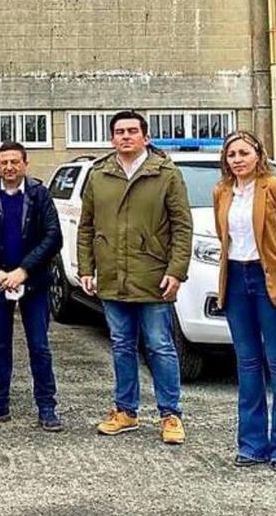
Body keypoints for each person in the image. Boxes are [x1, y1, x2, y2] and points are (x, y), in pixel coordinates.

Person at [76, 110, 192, 445]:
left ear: (145, 137)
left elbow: (182, 226)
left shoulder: (166, 174)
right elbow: (86, 226)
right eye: (119, 131)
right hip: (112, 277)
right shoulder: (100, 174)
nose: (125, 136)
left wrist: (176, 270)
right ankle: (125, 411)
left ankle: (170, 414)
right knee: (122, 345)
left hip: (153, 275)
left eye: (132, 131)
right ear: (112, 138)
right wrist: (86, 267)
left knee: (159, 345)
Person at [212, 131, 276, 470]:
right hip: (237, 279)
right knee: (248, 363)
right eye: (231, 154)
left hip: (272, 279)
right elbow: (224, 237)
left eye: (243, 153)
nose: (237, 159)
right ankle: (252, 444)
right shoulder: (221, 191)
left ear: (258, 154)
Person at [0, 141, 64, 432]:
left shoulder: (39, 194)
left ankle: (46, 407)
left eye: (14, 162)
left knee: (39, 346)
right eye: (4, 162)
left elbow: (53, 237)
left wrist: (24, 270)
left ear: (25, 163)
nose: (9, 167)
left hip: (33, 283)